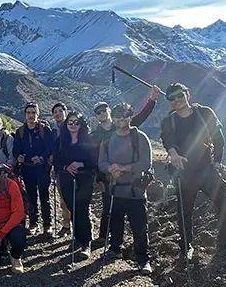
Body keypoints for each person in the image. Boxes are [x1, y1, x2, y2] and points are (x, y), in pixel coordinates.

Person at [160, 82, 226, 259]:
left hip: (206, 169)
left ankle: (223, 247)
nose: (176, 100)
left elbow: (219, 138)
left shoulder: (205, 113)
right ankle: (186, 248)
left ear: (188, 94)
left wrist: (217, 162)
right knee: (184, 212)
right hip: (183, 172)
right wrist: (173, 154)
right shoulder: (168, 121)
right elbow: (167, 140)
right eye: (171, 98)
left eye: (179, 95)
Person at [93, 85, 161, 247]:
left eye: (104, 110)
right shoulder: (97, 136)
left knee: (136, 221)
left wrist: (152, 99)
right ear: (96, 116)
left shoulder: (132, 131)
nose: (102, 113)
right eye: (98, 111)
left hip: (134, 185)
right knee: (110, 212)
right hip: (111, 182)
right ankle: (109, 241)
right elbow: (96, 159)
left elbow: (143, 115)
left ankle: (139, 255)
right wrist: (101, 177)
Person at [98, 103, 154, 275]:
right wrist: (109, 168)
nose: (122, 119)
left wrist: (124, 168)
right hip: (115, 190)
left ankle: (143, 260)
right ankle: (115, 249)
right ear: (113, 119)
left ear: (130, 117)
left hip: (135, 191)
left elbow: (146, 163)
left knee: (139, 226)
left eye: (125, 116)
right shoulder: (107, 140)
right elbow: (101, 163)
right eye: (118, 116)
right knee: (115, 222)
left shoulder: (140, 137)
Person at [53, 111, 98, 260]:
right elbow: (56, 160)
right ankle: (78, 238)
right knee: (72, 207)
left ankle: (86, 242)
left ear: (81, 124)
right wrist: (66, 167)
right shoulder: (61, 140)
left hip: (85, 179)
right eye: (70, 122)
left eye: (76, 122)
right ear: (66, 124)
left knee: (82, 208)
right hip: (67, 179)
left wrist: (81, 164)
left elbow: (95, 161)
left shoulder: (89, 140)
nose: (73, 125)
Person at [13, 102, 55, 236]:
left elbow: (50, 147)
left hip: (42, 168)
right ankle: (33, 223)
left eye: (33, 113)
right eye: (28, 113)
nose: (31, 115)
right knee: (31, 198)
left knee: (44, 197)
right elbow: (16, 150)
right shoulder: (19, 132)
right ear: (25, 115)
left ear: (38, 114)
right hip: (28, 169)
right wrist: (19, 156)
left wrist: (42, 157)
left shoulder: (44, 130)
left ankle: (47, 225)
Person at [50, 102, 72, 237]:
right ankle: (66, 225)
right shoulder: (53, 131)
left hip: (73, 169)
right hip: (59, 170)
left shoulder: (72, 127)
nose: (57, 114)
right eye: (55, 112)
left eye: (60, 111)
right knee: (63, 199)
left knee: (77, 199)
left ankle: (81, 229)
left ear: (65, 112)